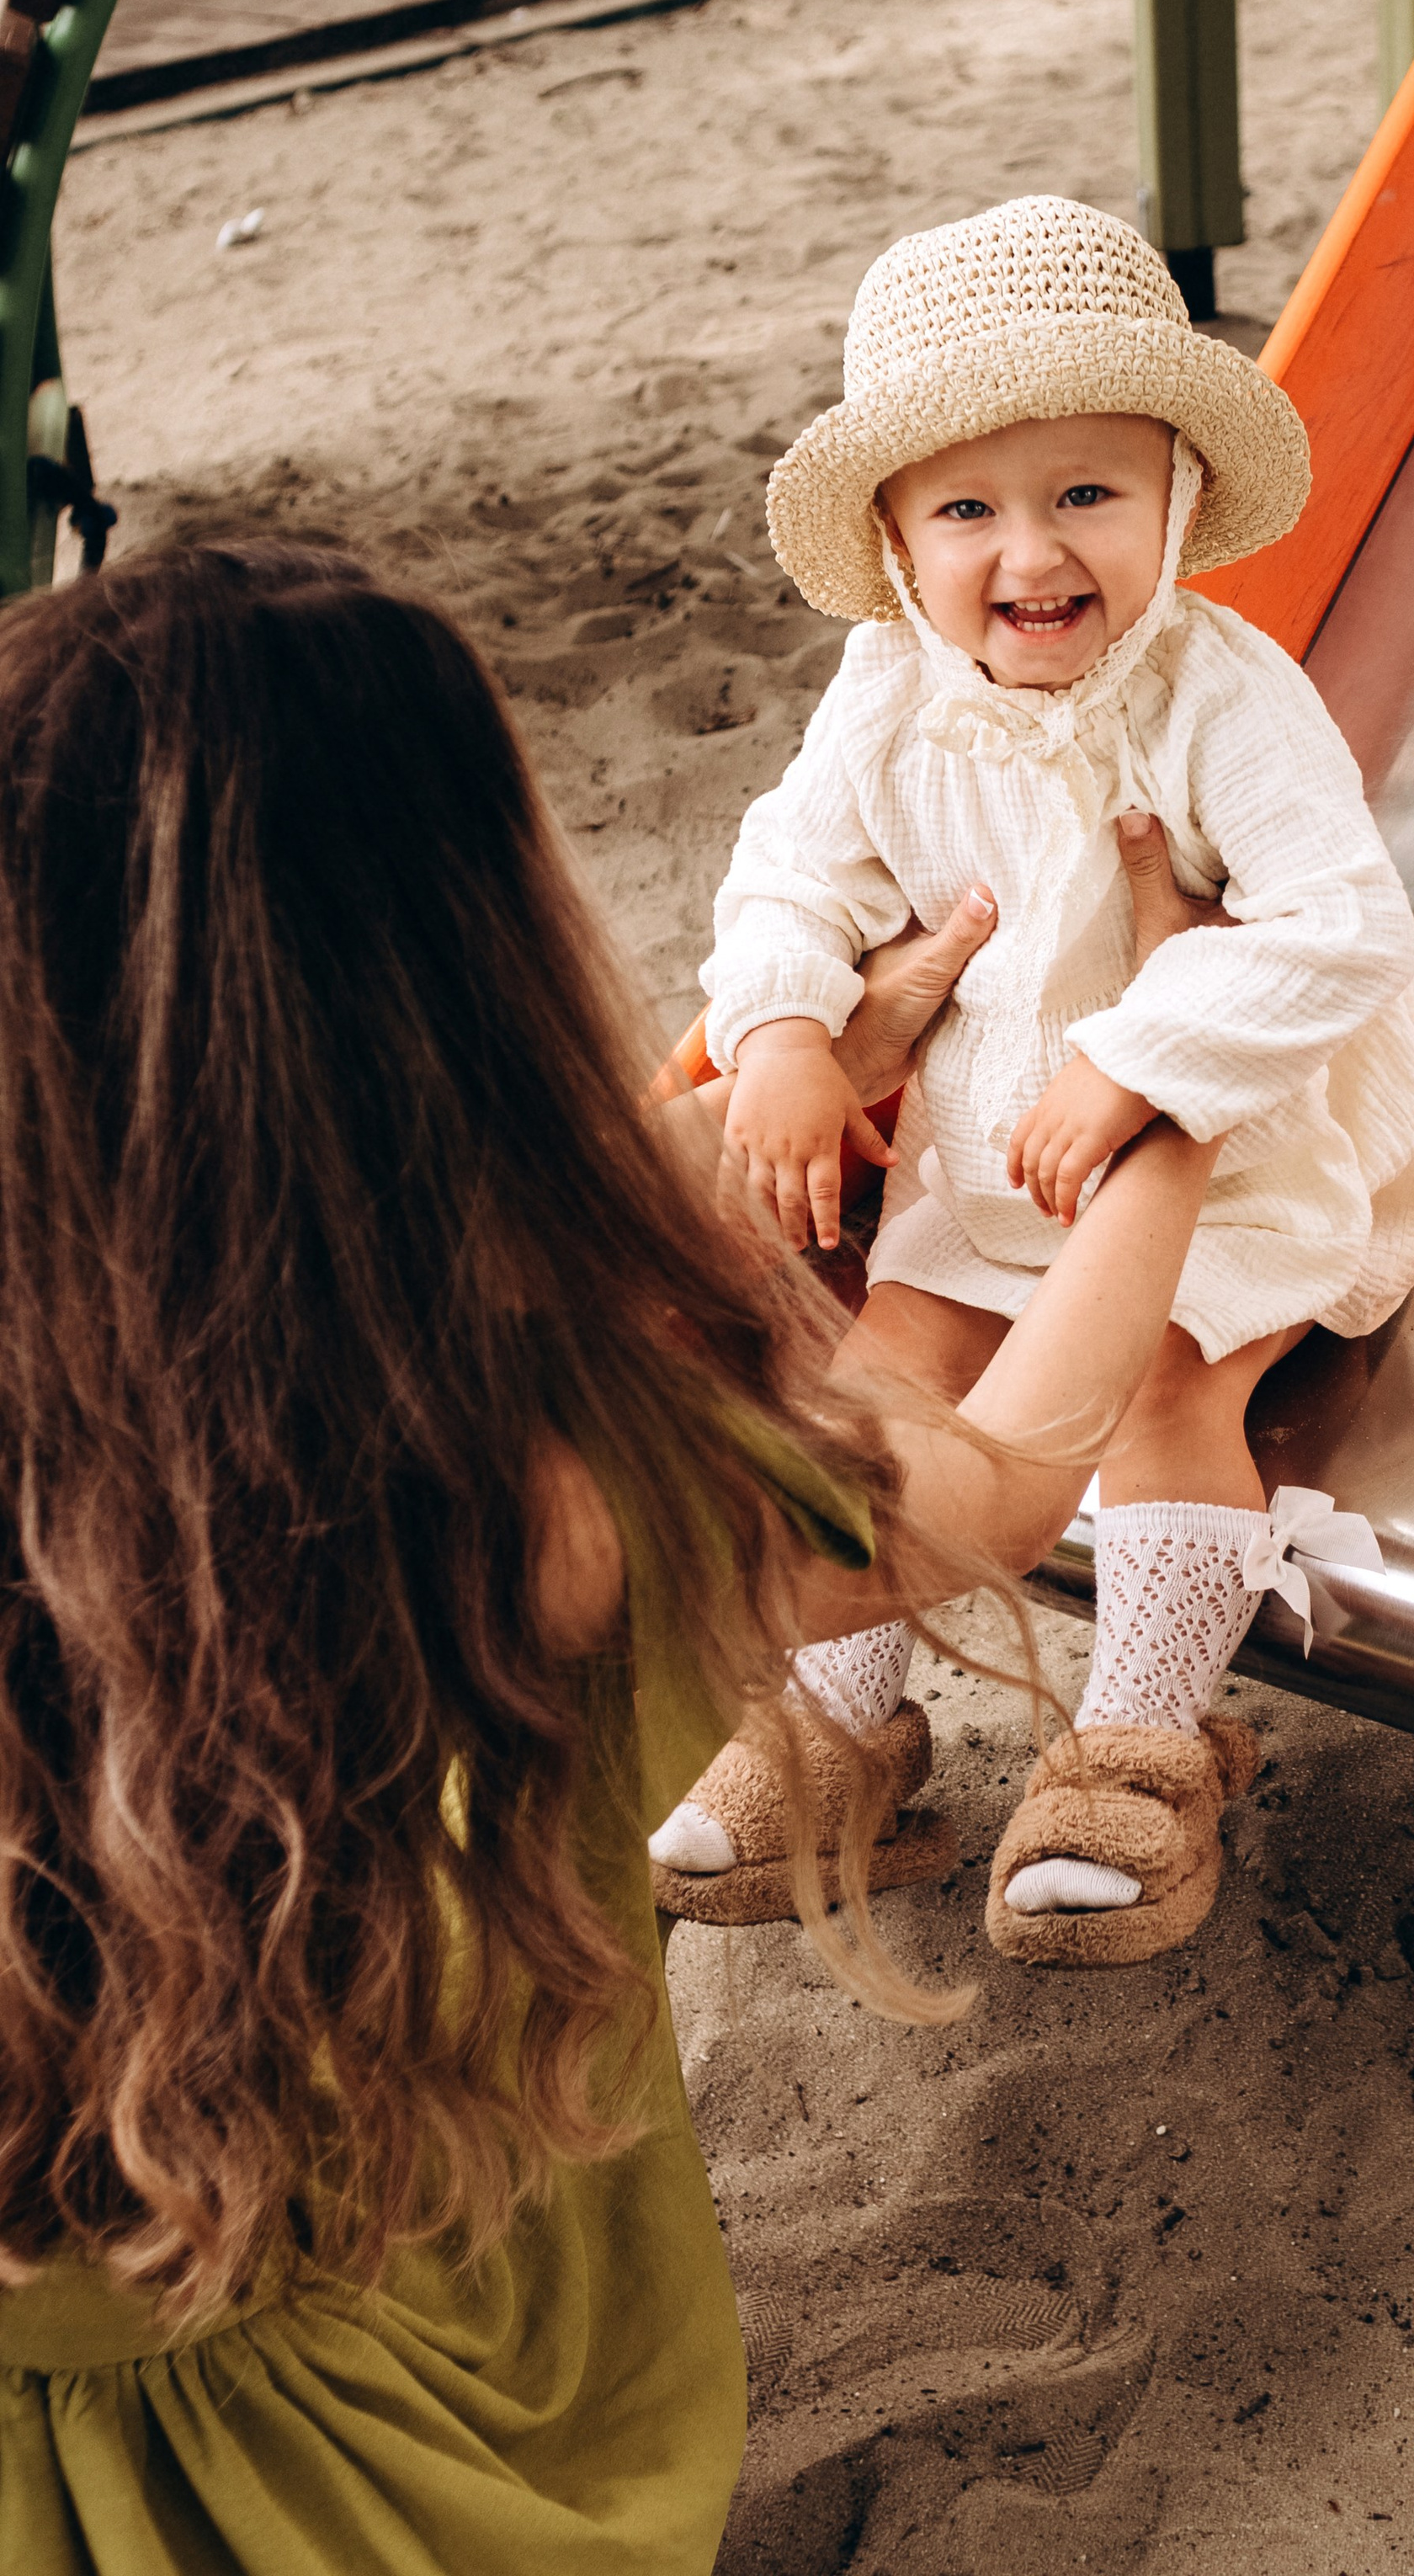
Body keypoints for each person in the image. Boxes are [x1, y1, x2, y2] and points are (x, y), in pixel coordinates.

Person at [0, 538, 1227, 2575]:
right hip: (327, 2469)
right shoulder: (543, 1488)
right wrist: (1175, 1093)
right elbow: (1002, 1479)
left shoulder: (98, 1396)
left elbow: (415, 1232)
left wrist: (839, 1048)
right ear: (460, 968)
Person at [662, 196, 1414, 1969]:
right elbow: (789, 877)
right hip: (989, 1151)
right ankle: (841, 1733)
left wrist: (1139, 1055)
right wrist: (783, 1031)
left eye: (1086, 493)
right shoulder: (885, 690)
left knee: (1167, 1382)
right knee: (885, 1366)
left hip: (1231, 1147)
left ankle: (1138, 1748)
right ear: (894, 542)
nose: (1031, 552)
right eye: (967, 511)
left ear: (1176, 496)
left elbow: (1342, 923)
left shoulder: (1219, 693)